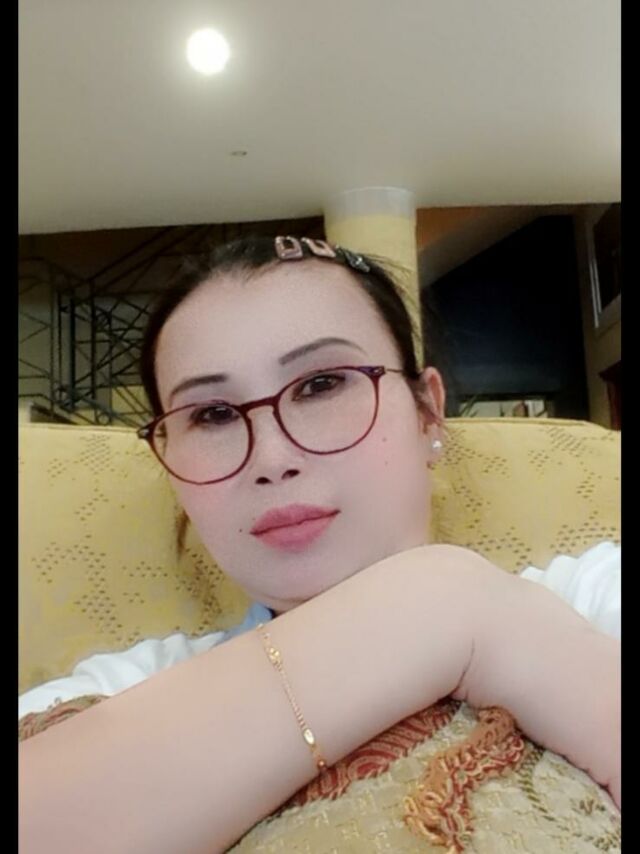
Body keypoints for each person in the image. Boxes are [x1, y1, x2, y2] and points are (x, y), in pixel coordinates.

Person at [19, 236, 620, 854]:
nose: (272, 458)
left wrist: (471, 607)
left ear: (427, 414)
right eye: (212, 415)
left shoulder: (592, 601)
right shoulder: (115, 694)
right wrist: (448, 606)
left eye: (322, 384)